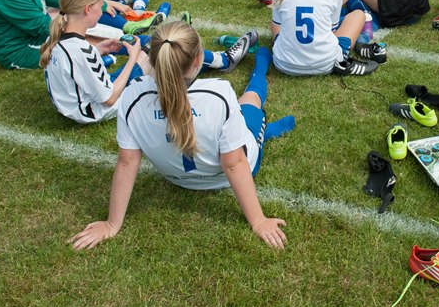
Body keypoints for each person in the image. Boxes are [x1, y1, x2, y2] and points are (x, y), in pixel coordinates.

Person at [70, 22, 295, 250]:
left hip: (177, 178)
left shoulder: (131, 95)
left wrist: (111, 224)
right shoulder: (220, 93)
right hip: (226, 174)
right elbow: (235, 164)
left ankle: (255, 129)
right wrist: (258, 221)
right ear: (198, 59)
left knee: (236, 118)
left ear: (153, 60)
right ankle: (262, 67)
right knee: (251, 101)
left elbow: (128, 162)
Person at [40, 0, 149, 124]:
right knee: (149, 57)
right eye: (101, 6)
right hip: (92, 111)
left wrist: (99, 49)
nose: (102, 11)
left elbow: (74, 65)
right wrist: (132, 58)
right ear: (88, 9)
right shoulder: (82, 50)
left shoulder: (54, 38)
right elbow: (109, 99)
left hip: (71, 104)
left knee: (145, 54)